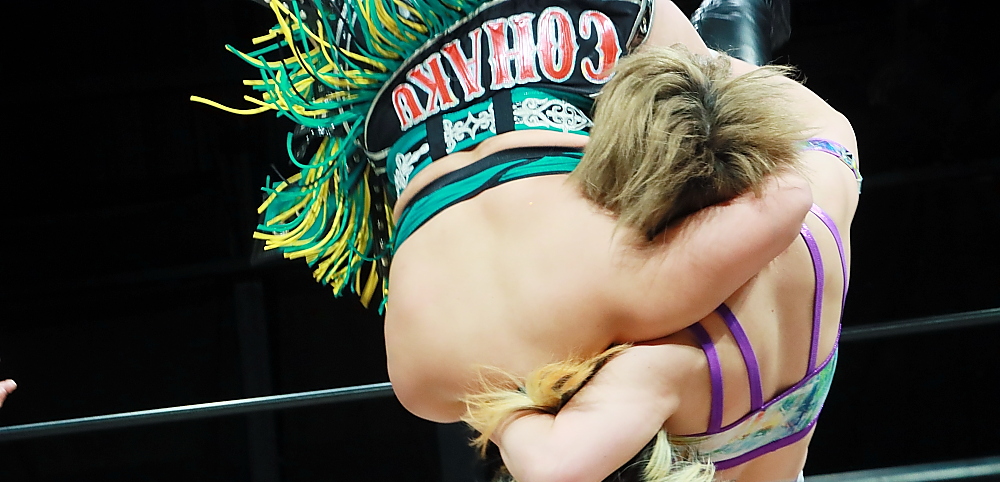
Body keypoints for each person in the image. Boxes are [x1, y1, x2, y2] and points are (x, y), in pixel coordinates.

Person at [419, 34, 859, 482]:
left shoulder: (663, 360)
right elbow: (830, 127)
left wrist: (497, 396)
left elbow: (557, 472)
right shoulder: (821, 222)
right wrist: (710, 66)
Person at [195, 0, 810, 426]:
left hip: (487, 331)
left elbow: (779, 189)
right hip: (422, 359)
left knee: (742, 120)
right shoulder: (615, 300)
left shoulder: (635, 296)